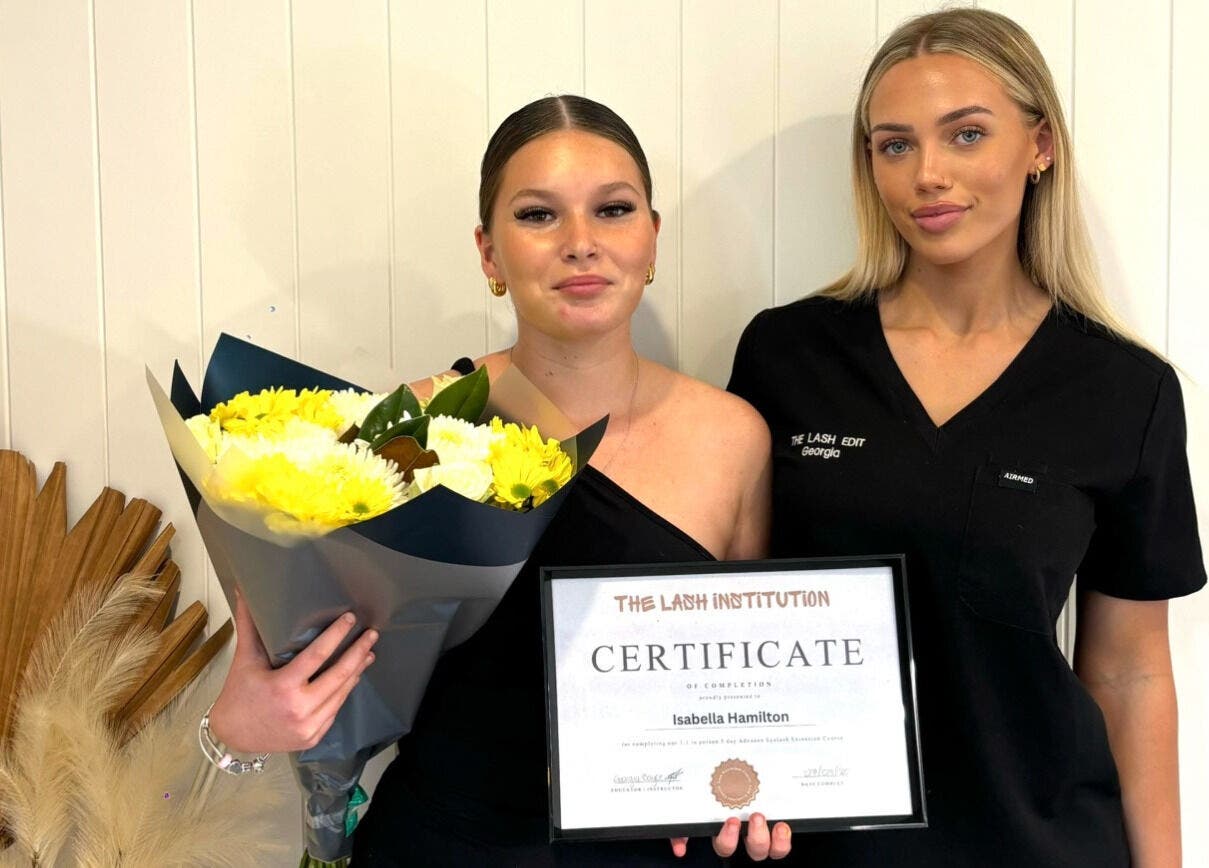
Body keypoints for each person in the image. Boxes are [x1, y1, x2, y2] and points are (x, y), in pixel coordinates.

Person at [206, 95, 792, 865]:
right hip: (444, 845)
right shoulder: (402, 430)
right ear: (488, 254)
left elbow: (745, 691)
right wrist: (236, 731)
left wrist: (763, 782)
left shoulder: (730, 438)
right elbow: (313, 662)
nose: (581, 244)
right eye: (538, 216)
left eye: (613, 211)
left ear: (653, 239)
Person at [728, 8, 1205, 866]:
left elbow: (1130, 674)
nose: (927, 176)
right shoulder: (787, 354)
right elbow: (727, 610)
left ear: (1040, 145)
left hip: (1038, 842)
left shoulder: (1124, 391)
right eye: (894, 145)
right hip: (819, 847)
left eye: (966, 135)